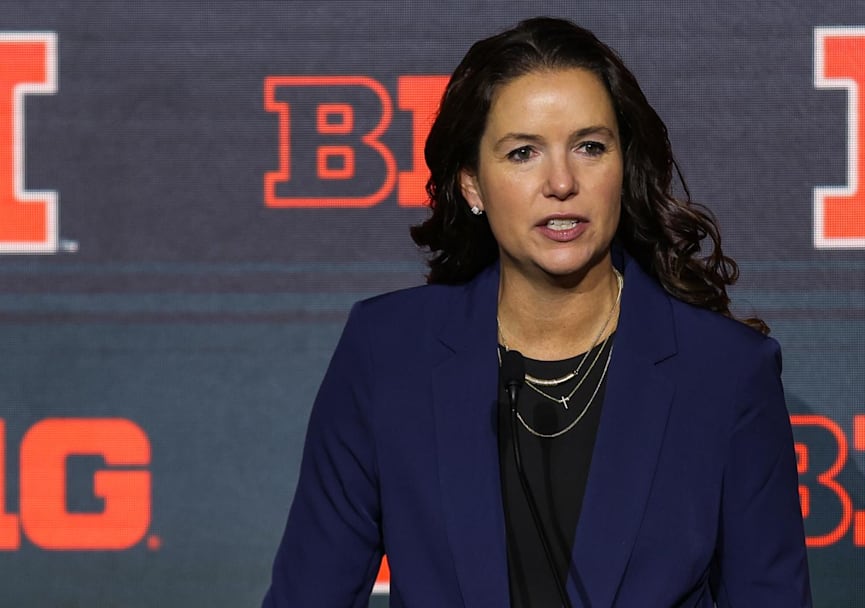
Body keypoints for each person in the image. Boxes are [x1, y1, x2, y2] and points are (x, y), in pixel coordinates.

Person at [264, 16, 811, 608]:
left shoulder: (725, 373)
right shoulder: (388, 352)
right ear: (472, 184)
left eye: (590, 147)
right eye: (523, 152)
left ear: (622, 167)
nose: (561, 182)